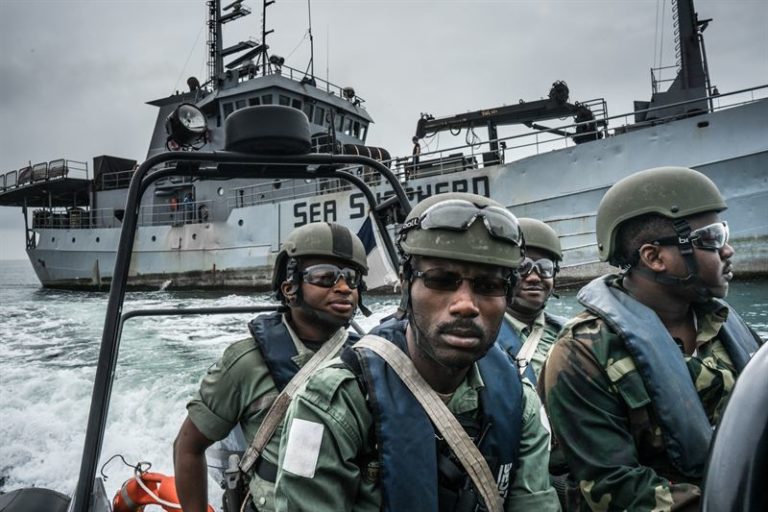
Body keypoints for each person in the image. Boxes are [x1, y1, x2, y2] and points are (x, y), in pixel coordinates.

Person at [274, 193, 560, 511]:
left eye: (489, 285)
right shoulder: (335, 401)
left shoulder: (520, 401)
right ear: (406, 284)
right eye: (441, 280)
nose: (465, 305)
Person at [541, 167, 763, 511]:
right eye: (712, 239)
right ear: (654, 257)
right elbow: (614, 485)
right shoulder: (582, 353)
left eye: (725, 234)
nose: (728, 250)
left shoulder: (724, 323)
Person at [174, 222, 370, 512]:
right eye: (325, 276)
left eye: (351, 278)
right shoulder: (246, 362)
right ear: (290, 288)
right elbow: (188, 447)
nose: (343, 288)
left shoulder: (369, 359)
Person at [497, 218, 565, 383]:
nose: (534, 277)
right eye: (522, 267)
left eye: (545, 267)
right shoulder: (483, 337)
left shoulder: (567, 331)